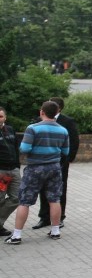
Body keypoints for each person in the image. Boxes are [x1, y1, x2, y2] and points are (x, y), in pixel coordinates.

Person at [5, 101, 68, 245]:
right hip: (54, 168)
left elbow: (24, 149)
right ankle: (55, 231)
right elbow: (66, 152)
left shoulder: (33, 128)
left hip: (35, 168)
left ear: (42, 112)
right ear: (57, 112)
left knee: (24, 201)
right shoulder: (63, 130)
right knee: (54, 199)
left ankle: (16, 235)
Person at [33, 96, 78, 230]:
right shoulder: (38, 121)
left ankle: (59, 217)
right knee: (43, 189)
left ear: (58, 108)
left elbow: (74, 141)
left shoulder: (67, 122)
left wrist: (69, 159)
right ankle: (44, 217)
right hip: (42, 162)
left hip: (60, 162)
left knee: (60, 190)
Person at [0, 107, 21, 237]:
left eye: (1, 116)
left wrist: (18, 166)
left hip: (14, 170)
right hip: (1, 172)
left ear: (5, 118)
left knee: (17, 198)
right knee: (0, 199)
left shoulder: (11, 130)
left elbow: (16, 149)